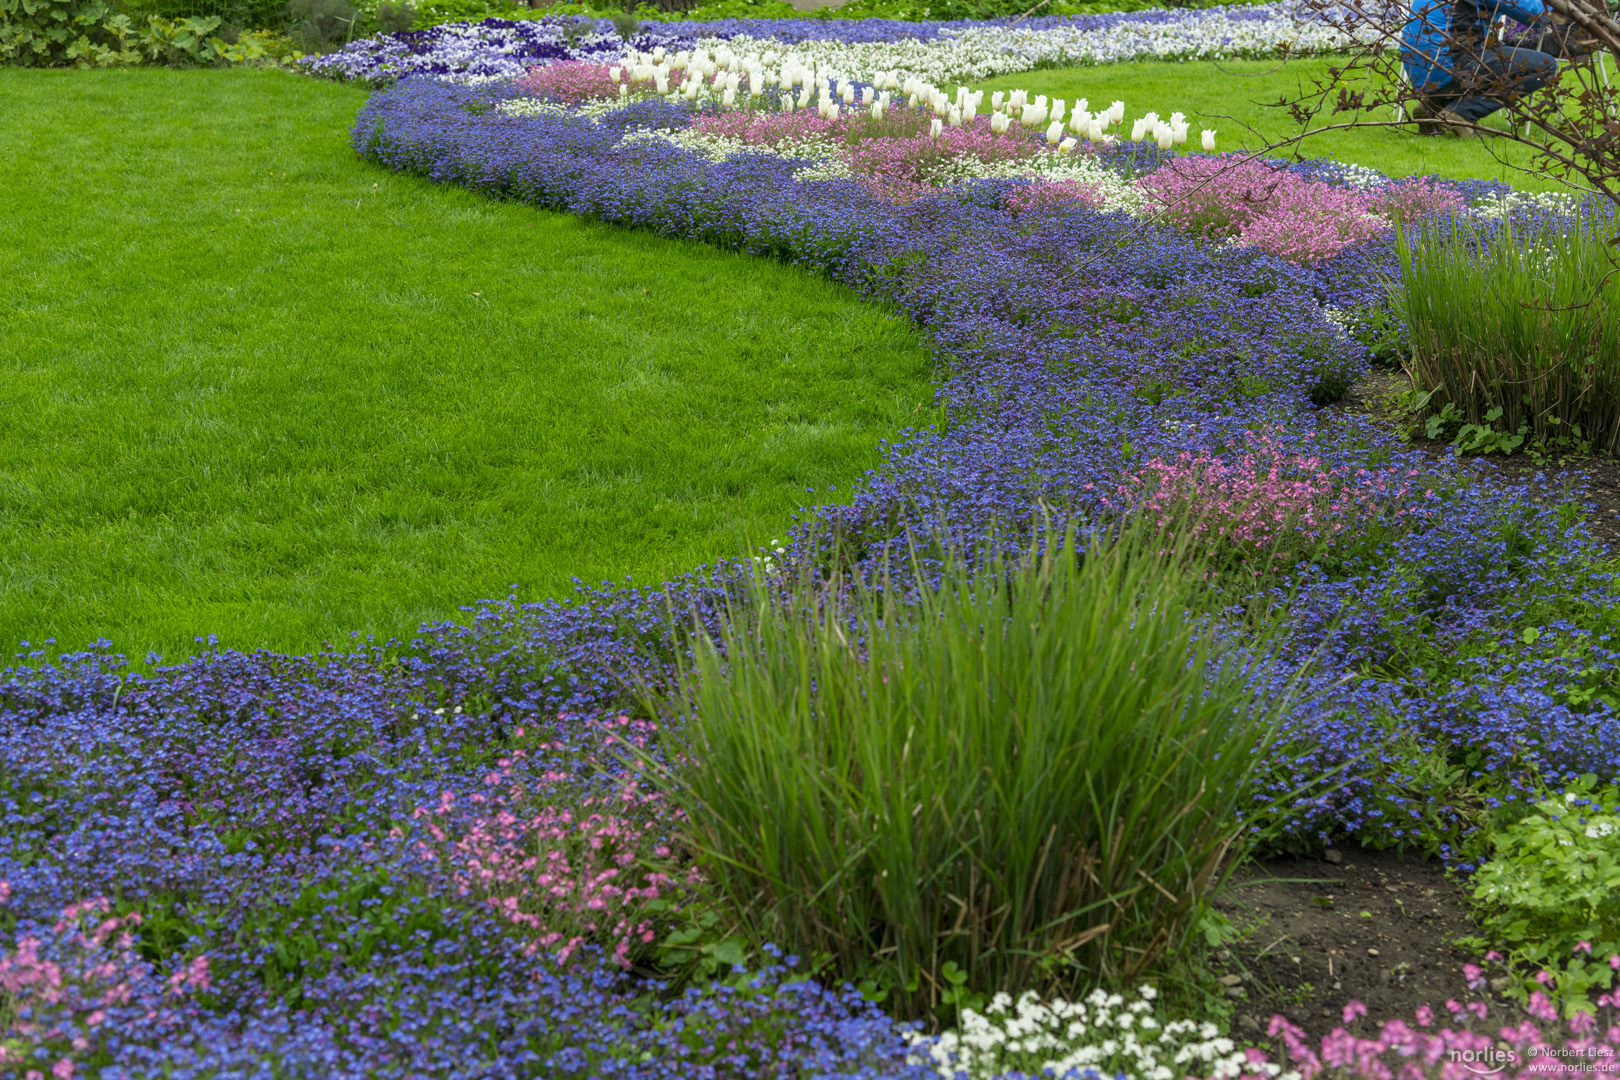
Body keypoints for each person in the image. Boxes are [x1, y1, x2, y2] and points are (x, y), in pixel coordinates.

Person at [1401, 0, 1561, 135]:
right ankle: (1461, 113)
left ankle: (1434, 104)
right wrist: (1568, 8)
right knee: (1545, 66)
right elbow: (1537, 16)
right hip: (1448, 61)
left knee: (1489, 52)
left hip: (1418, 66)